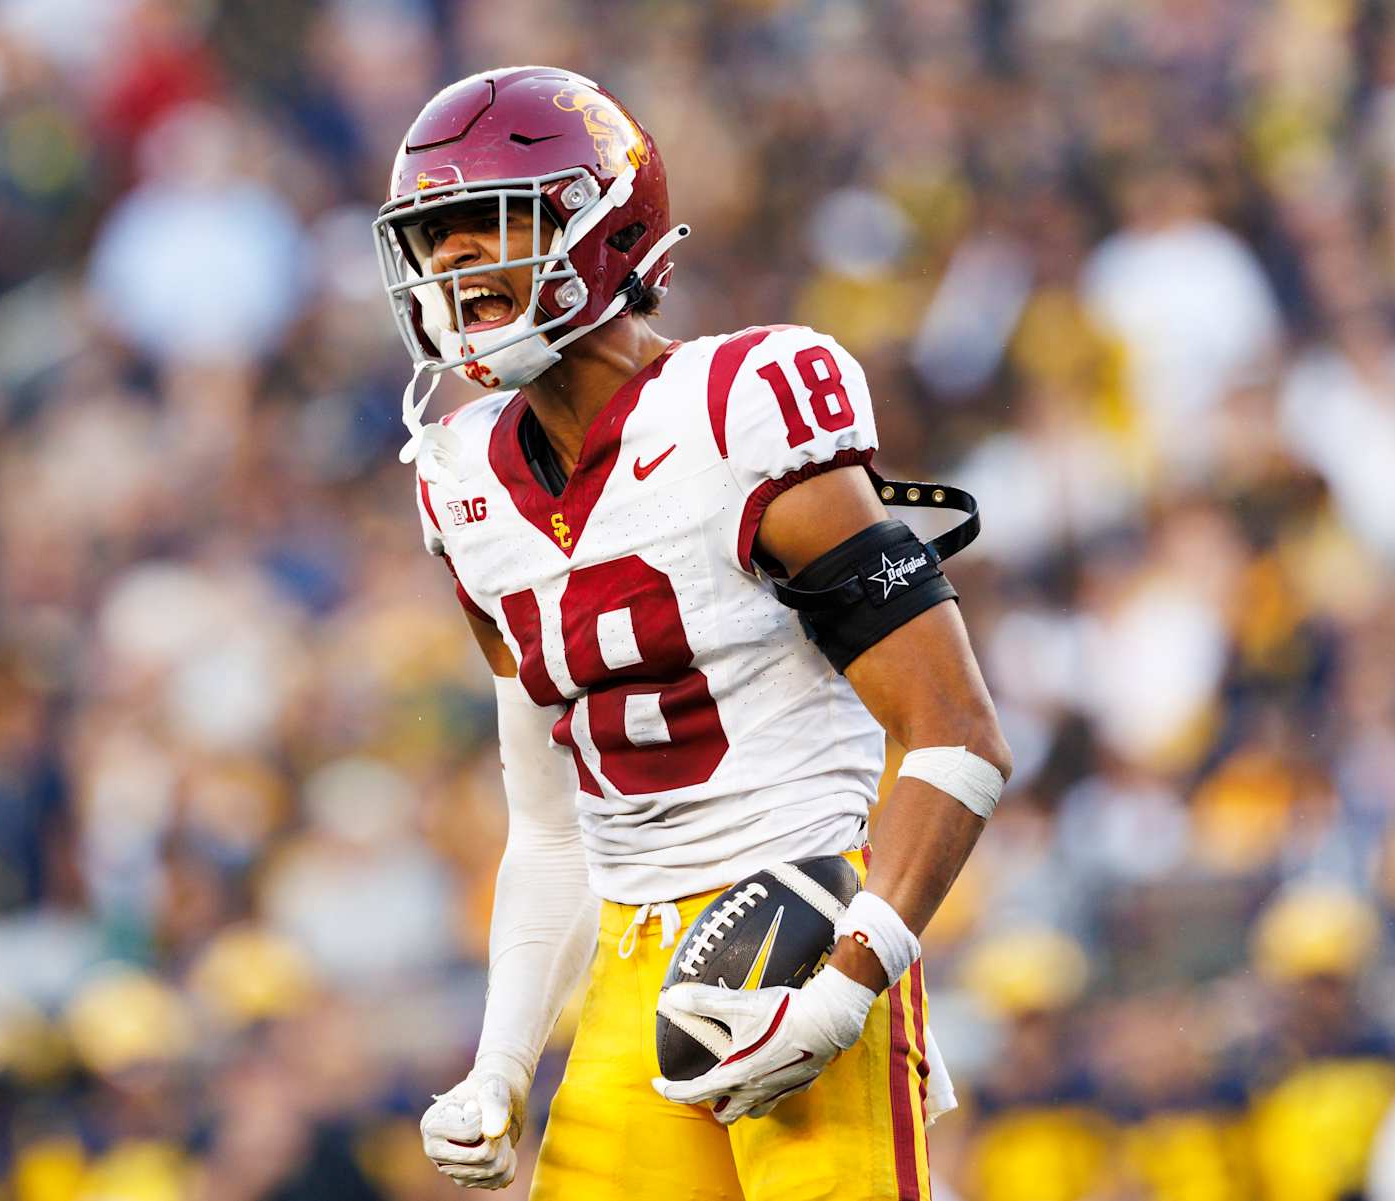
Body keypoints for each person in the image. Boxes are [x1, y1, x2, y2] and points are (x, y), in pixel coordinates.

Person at [373, 66, 1012, 1200]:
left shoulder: (742, 403)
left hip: (801, 918)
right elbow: (555, 828)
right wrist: (503, 1060)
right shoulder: (461, 482)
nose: (456, 269)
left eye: (488, 228)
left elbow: (957, 735)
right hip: (628, 965)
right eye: (435, 240)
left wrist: (846, 986)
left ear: (603, 232)